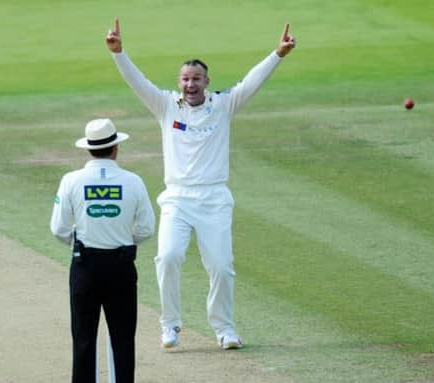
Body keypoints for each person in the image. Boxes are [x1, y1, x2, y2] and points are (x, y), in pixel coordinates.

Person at [105, 18, 296, 350]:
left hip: (214, 198)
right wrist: (119, 53)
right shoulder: (167, 105)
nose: (190, 85)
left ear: (207, 81)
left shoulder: (222, 105)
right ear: (178, 82)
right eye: (185, 79)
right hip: (177, 198)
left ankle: (224, 329)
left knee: (221, 266)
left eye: (196, 79)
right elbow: (138, 82)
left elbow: (252, 82)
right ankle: (170, 325)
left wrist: (277, 54)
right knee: (167, 257)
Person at [50, 118, 155, 383]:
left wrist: (81, 242)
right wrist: (123, 241)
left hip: (85, 266)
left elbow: (58, 228)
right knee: (123, 339)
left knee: (83, 338)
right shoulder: (133, 181)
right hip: (121, 266)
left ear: (89, 149)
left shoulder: (71, 180)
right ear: (116, 148)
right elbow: (147, 228)